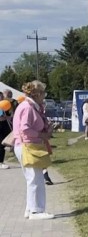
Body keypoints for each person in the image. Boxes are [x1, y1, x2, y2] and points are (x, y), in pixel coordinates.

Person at [12, 80, 54, 220]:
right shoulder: (28, 108)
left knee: (33, 178)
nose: (44, 96)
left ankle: (30, 208)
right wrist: (42, 135)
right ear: (37, 94)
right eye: (43, 93)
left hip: (26, 145)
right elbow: (25, 129)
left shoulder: (30, 106)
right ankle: (36, 211)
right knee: (36, 179)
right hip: (28, 146)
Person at [0, 91, 13, 169]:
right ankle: (1, 162)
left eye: (2, 96)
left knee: (4, 143)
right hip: (1, 126)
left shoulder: (4, 105)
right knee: (2, 144)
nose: (1, 98)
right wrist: (7, 117)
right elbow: (1, 118)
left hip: (4, 125)